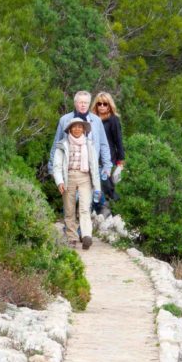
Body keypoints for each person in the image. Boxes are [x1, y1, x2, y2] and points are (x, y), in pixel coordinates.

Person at [52, 117, 100, 249]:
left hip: (85, 178)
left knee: (85, 208)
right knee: (69, 210)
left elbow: (94, 167)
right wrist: (59, 181)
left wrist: (97, 187)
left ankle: (86, 236)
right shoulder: (62, 145)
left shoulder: (89, 144)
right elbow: (57, 166)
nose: (77, 129)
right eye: (74, 126)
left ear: (84, 129)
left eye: (80, 126)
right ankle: (72, 237)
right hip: (69, 177)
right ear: (69, 129)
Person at [48, 90, 111, 182]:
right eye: (81, 102)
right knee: (71, 196)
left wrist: (107, 166)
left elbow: (103, 144)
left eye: (86, 102)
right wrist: (51, 167)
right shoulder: (64, 120)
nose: (83, 105)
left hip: (91, 168)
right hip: (70, 167)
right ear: (75, 103)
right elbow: (57, 144)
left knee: (89, 196)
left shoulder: (97, 121)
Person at [91, 91, 124, 216]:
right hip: (93, 157)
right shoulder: (91, 119)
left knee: (108, 186)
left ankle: (115, 211)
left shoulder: (114, 120)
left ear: (109, 105)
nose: (102, 106)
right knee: (94, 185)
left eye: (105, 104)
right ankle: (97, 211)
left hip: (108, 158)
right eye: (99, 103)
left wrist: (120, 163)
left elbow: (118, 141)